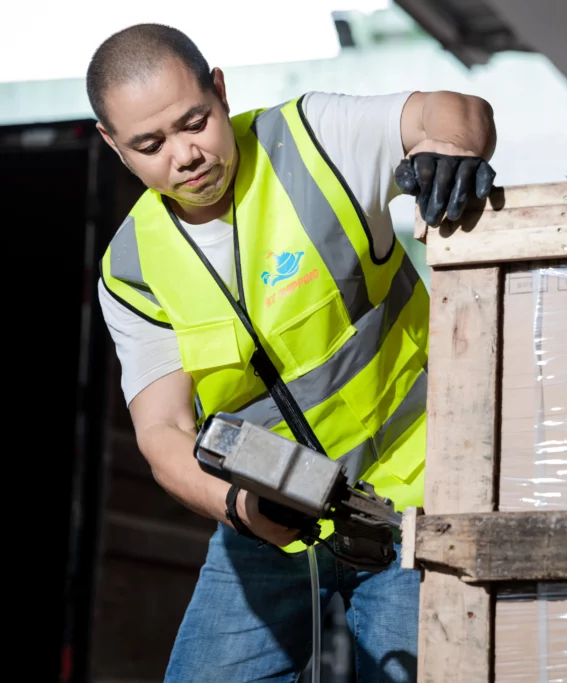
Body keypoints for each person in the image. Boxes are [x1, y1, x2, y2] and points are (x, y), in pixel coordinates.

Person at [88, 22, 496, 683]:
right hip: (269, 519)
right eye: (150, 144)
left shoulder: (312, 141)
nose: (184, 155)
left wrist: (450, 147)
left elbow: (452, 109)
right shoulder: (130, 269)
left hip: (419, 499)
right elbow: (163, 432)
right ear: (114, 145)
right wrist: (241, 509)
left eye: (195, 122)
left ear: (219, 90)